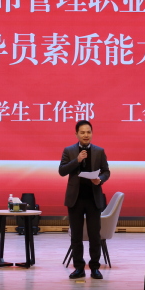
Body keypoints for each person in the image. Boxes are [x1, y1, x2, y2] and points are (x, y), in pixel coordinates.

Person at [59, 120, 110, 280]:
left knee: (95, 236)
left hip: (93, 199)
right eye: (82, 132)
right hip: (75, 199)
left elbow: (106, 172)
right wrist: (77, 160)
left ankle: (95, 268)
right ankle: (79, 268)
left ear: (92, 133)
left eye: (88, 132)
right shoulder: (69, 150)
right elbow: (62, 171)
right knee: (76, 236)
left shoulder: (99, 151)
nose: (86, 135)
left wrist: (100, 180)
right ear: (76, 134)